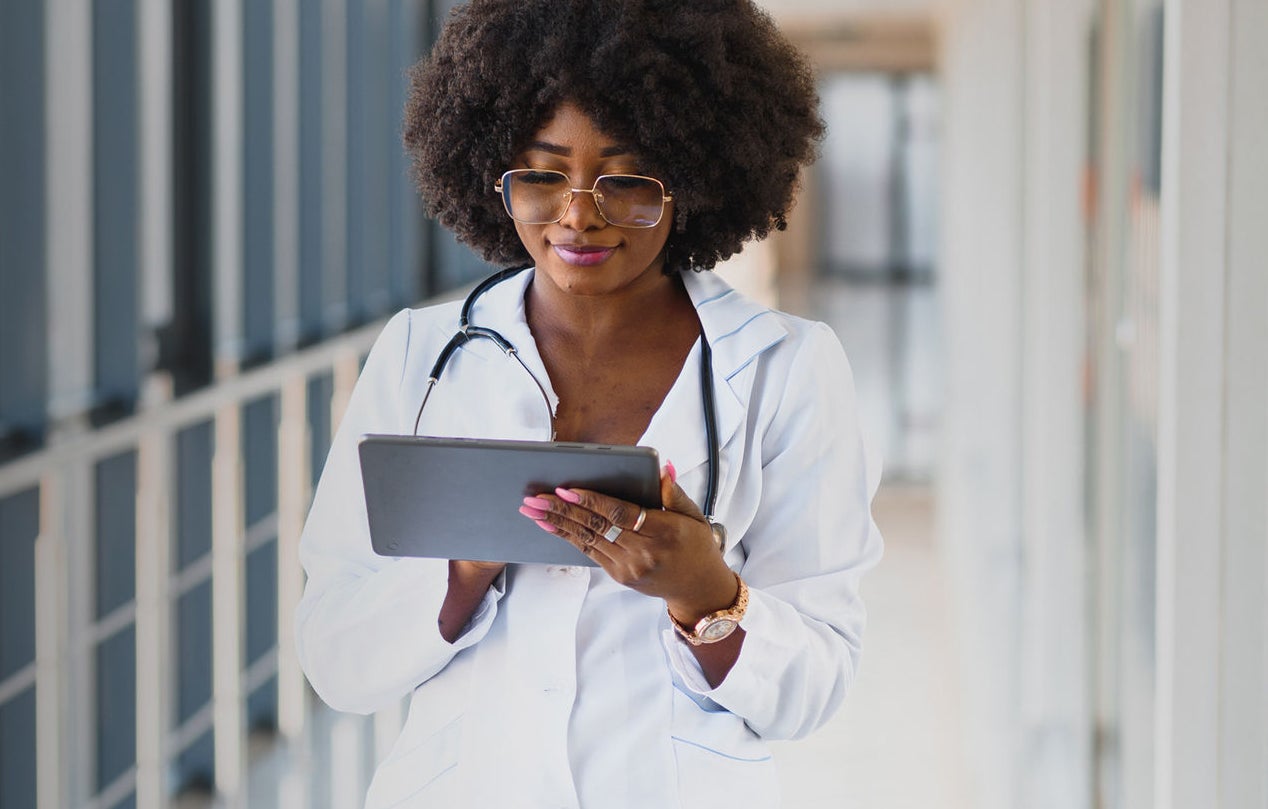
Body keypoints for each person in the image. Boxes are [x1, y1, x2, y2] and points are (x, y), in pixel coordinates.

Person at [295, 1, 883, 806]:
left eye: (626, 179)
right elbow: (334, 656)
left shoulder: (786, 366)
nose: (578, 213)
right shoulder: (419, 354)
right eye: (542, 174)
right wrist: (463, 570)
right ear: (492, 172)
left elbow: (816, 682)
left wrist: (706, 591)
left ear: (691, 181)